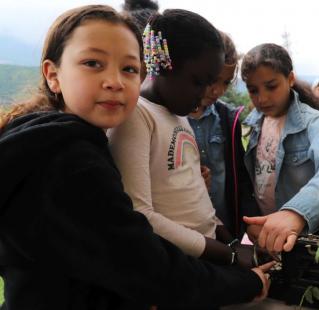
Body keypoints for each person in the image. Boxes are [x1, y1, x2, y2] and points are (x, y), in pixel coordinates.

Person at [0, 5, 272, 309]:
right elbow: (147, 265)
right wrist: (241, 278)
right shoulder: (66, 162)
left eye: (129, 68)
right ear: (53, 75)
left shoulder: (70, 143)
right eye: (92, 63)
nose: (115, 81)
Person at [108, 9, 256, 268]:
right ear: (163, 64)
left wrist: (230, 242)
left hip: (210, 255)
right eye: (198, 82)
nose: (204, 95)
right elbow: (141, 215)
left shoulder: (179, 115)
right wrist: (229, 256)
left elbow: (198, 201)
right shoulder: (137, 117)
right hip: (180, 265)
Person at [240, 43, 319, 254]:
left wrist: (296, 213)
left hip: (309, 237)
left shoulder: (316, 123)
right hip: (269, 236)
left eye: (271, 86)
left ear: (290, 79)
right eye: (253, 90)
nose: (262, 98)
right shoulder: (254, 124)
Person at [187, 31, 258, 240]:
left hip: (227, 230)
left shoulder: (228, 119)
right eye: (212, 80)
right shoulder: (171, 117)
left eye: (226, 82)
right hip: (187, 232)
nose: (217, 90)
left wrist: (250, 220)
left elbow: (240, 177)